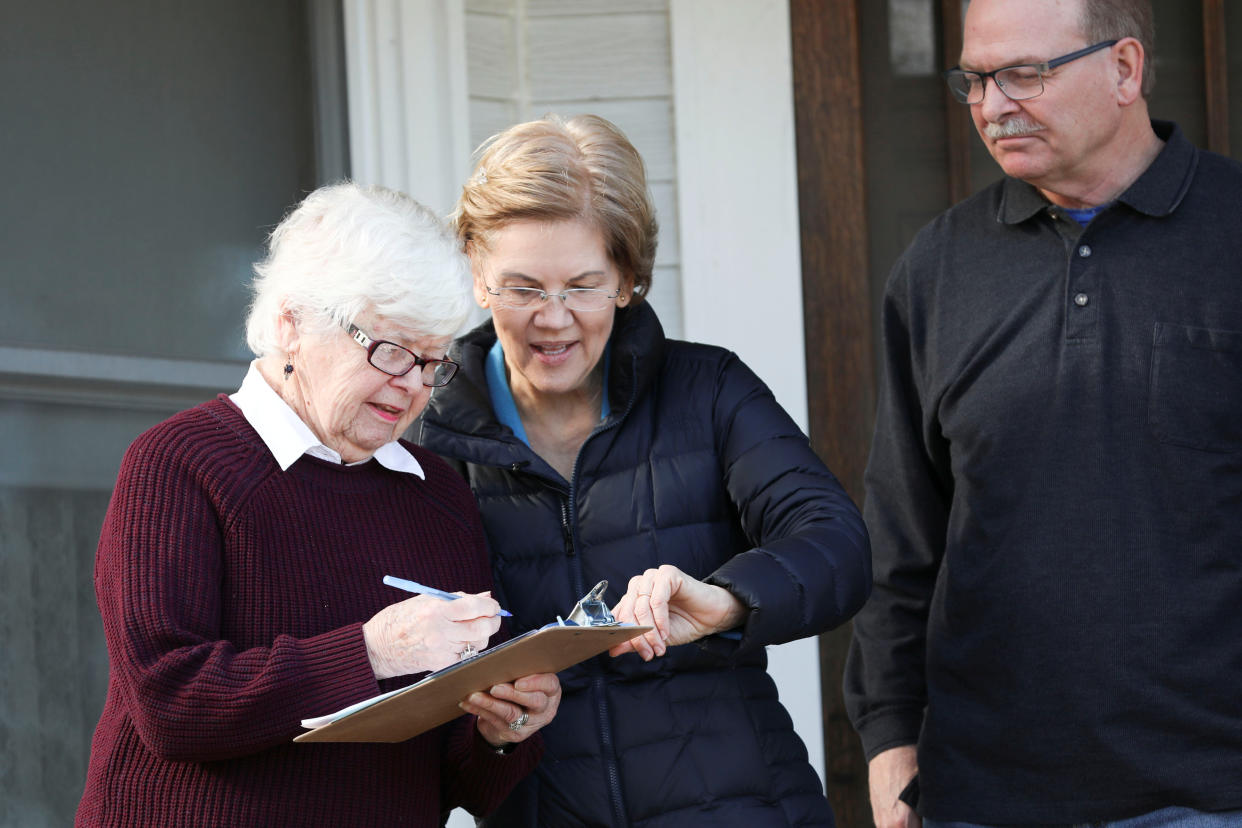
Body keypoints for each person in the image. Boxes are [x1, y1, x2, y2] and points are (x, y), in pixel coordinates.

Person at [844, 0, 1242, 825]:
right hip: (983, 790)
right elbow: (900, 538)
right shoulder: (937, 270)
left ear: (1124, 68)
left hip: (1213, 788)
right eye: (975, 79)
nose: (992, 105)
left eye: (1025, 73)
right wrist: (889, 741)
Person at [416, 113, 871, 827]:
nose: (554, 318)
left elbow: (838, 546)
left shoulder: (710, 390)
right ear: (476, 273)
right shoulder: (423, 441)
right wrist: (490, 731)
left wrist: (724, 602)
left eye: (584, 286)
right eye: (523, 287)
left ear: (629, 278)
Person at [76, 182, 562, 828]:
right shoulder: (180, 462)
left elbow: (455, 784)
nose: (413, 385)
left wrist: (504, 729)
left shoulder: (437, 494)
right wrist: (371, 653)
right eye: (390, 350)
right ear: (291, 324)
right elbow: (170, 704)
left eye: (431, 362)